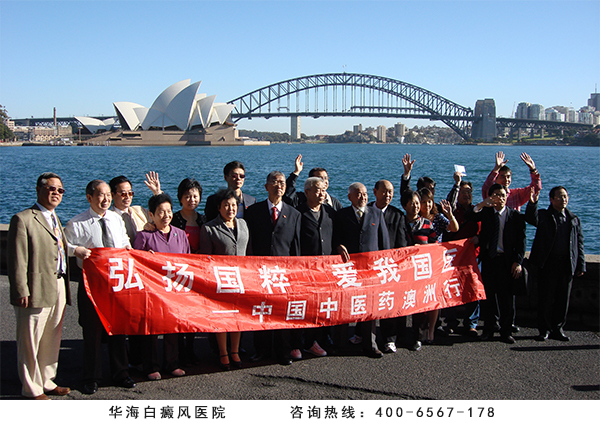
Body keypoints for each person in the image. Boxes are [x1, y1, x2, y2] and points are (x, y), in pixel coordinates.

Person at [65, 180, 135, 394]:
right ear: (89, 197)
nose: (105, 199)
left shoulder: (116, 219)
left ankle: (121, 372)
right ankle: (91, 376)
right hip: (91, 285)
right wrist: (75, 249)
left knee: (118, 329)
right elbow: (62, 246)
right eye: (100, 195)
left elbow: (124, 244)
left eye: (107, 195)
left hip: (115, 283)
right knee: (92, 331)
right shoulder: (77, 223)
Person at [8, 172, 72, 400]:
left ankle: (46, 380)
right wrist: (20, 290)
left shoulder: (54, 218)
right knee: (30, 340)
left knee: (51, 336)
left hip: (58, 285)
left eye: (60, 190)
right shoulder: (23, 219)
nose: (56, 193)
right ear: (39, 189)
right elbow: (17, 259)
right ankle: (31, 388)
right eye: (52, 188)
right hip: (35, 287)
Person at [245, 171, 302, 365]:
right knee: (261, 311)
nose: (279, 186)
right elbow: (249, 242)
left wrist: (295, 272)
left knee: (282, 312)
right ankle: (261, 350)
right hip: (259, 270)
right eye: (275, 182)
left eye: (282, 183)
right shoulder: (253, 212)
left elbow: (296, 246)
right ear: (266, 186)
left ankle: (283, 351)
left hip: (283, 273)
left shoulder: (294, 214)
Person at [133, 193, 189, 380]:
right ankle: (151, 365)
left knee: (172, 328)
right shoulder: (144, 236)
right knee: (151, 330)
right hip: (151, 292)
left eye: (168, 211)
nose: (165, 215)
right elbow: (135, 264)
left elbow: (188, 261)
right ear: (151, 215)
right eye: (160, 212)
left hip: (174, 290)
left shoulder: (180, 234)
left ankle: (172, 363)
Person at [333, 182, 390, 358]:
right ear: (350, 197)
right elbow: (334, 238)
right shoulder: (341, 215)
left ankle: (370, 344)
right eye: (358, 194)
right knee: (343, 306)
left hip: (370, 270)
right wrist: (337, 246)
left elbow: (384, 242)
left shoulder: (376, 213)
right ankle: (339, 343)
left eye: (365, 194)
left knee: (370, 308)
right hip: (348, 269)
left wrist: (385, 267)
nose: (363, 197)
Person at [466, 183, 526, 344]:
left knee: (506, 298)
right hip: (490, 259)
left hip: (507, 261)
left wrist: (518, 262)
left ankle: (506, 331)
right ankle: (488, 329)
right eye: (496, 195)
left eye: (503, 195)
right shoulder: (486, 213)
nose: (500, 198)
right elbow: (471, 215)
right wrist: (482, 203)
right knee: (489, 297)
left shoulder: (516, 217)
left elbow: (521, 242)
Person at [199, 189, 250, 369]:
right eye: (226, 205)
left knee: (238, 317)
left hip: (241, 278)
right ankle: (223, 352)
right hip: (220, 280)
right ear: (219, 208)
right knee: (222, 317)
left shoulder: (243, 224)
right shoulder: (209, 228)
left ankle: (235, 351)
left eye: (234, 205)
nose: (230, 209)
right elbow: (205, 258)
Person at [526, 186, 585, 342]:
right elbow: (531, 218)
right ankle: (543, 329)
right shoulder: (544, 216)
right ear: (551, 200)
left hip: (566, 264)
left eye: (565, 196)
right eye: (559, 197)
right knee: (545, 298)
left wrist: (581, 265)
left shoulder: (573, 219)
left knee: (562, 299)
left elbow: (579, 243)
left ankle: (558, 329)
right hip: (548, 263)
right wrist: (532, 203)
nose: (563, 199)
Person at [295, 177, 336, 357]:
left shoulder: (329, 212)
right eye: (317, 190)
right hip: (305, 269)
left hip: (325, 269)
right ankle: (300, 343)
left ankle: (317, 340)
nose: (322, 193)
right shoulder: (298, 213)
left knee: (321, 306)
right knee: (304, 307)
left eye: (323, 190)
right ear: (307, 193)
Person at [368, 179, 408, 354]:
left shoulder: (397, 215)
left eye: (390, 192)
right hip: (368, 266)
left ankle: (389, 339)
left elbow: (401, 242)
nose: (388, 195)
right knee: (368, 302)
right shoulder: (367, 211)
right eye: (384, 191)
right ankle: (365, 336)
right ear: (375, 192)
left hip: (388, 267)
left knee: (388, 302)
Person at [171, 177, 206, 365]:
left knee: (193, 312)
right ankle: (177, 351)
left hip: (197, 273)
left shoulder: (203, 220)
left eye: (195, 196)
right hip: (178, 273)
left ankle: (190, 349)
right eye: (187, 196)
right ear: (180, 198)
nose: (191, 200)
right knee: (178, 312)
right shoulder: (174, 219)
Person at [443, 173, 481, 337]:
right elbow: (448, 202)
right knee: (452, 289)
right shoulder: (452, 211)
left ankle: (471, 323)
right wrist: (456, 184)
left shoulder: (478, 211)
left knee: (473, 289)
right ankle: (450, 322)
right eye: (463, 192)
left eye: (469, 192)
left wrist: (479, 238)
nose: (467, 195)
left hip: (473, 257)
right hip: (453, 257)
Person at [109, 172, 162, 244]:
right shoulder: (109, 218)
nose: (127, 197)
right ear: (112, 195)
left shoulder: (139, 210)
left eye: (130, 193)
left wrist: (157, 193)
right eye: (123, 194)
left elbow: (161, 217)